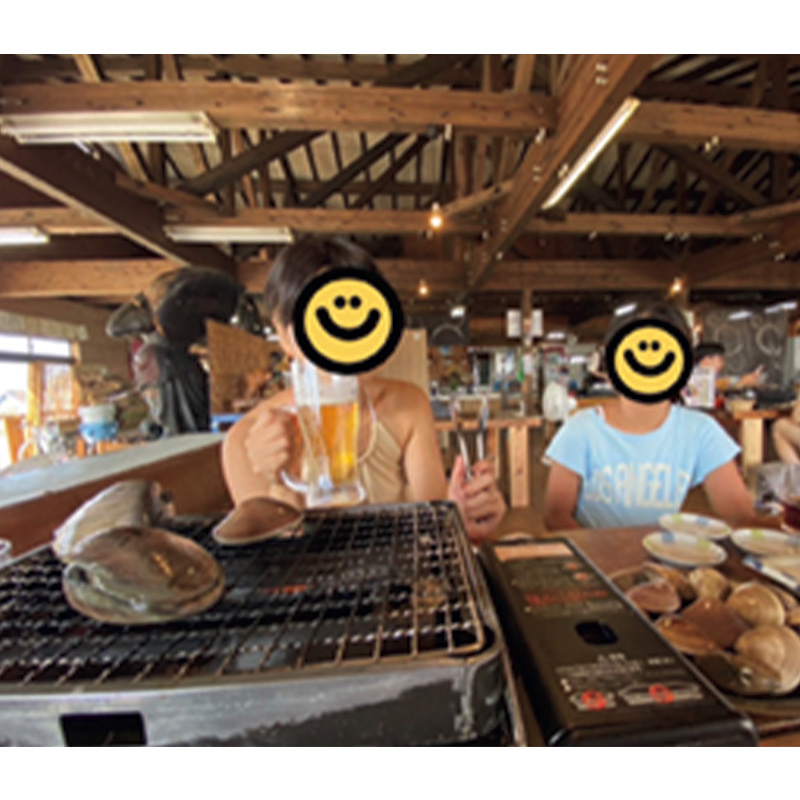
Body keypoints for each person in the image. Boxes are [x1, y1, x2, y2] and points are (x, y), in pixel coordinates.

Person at [222, 237, 506, 543]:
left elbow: (433, 533)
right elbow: (275, 562)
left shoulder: (408, 406)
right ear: (283, 333)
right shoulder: (244, 443)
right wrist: (278, 483)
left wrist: (460, 518)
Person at [543, 303, 758, 530]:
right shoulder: (580, 430)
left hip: (664, 549)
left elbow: (741, 517)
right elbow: (556, 517)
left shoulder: (701, 432)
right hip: (594, 552)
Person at [694, 342, 763, 393]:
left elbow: (726, 381)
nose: (723, 363)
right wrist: (741, 383)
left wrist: (745, 380)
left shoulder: (711, 375)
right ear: (707, 361)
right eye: (720, 360)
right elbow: (715, 385)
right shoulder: (696, 375)